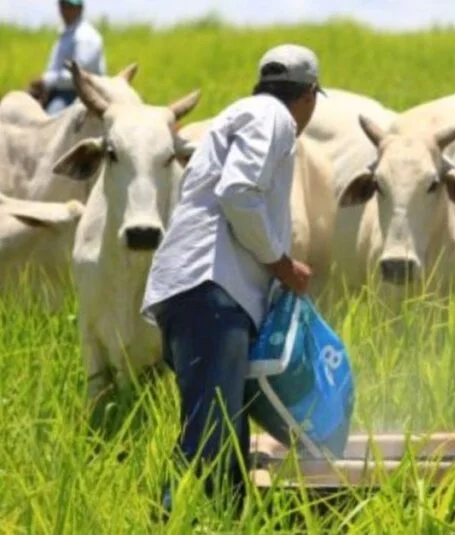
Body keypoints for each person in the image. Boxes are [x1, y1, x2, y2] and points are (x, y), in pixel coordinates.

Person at [140, 43, 325, 516]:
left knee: (226, 441)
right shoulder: (272, 118)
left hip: (195, 291)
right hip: (211, 294)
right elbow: (239, 194)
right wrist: (283, 264)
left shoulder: (239, 116)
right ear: (307, 96)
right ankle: (166, 521)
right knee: (207, 440)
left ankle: (231, 521)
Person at [27, 0, 107, 115]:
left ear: (80, 9)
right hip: (60, 90)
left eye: (70, 6)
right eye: (63, 5)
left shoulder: (85, 37)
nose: (65, 10)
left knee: (50, 120)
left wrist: (46, 81)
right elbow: (55, 67)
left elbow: (79, 75)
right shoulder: (67, 33)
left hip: (79, 94)